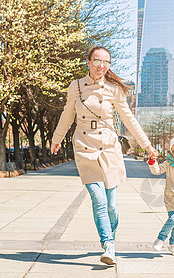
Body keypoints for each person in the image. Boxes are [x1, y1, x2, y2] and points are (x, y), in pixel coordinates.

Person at [51, 46, 157, 265]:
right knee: (98, 199)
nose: (101, 66)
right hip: (84, 145)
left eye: (106, 62)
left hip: (109, 147)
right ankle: (108, 244)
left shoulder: (113, 89)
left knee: (112, 205)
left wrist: (148, 146)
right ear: (88, 62)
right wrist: (56, 138)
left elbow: (129, 120)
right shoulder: (76, 86)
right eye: (97, 61)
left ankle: (111, 235)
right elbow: (67, 115)